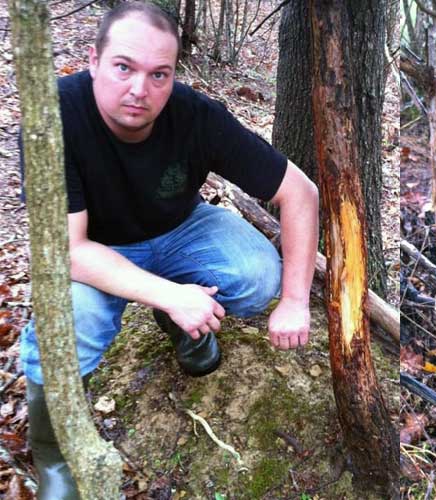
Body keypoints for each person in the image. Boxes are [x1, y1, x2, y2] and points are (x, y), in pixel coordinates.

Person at [19, 2, 319, 498]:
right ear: (93, 60)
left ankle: (180, 315)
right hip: (96, 251)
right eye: (124, 67)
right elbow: (66, 253)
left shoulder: (194, 115)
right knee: (71, 321)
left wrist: (294, 301)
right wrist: (170, 294)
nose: (140, 89)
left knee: (257, 274)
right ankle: (56, 460)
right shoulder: (53, 117)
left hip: (181, 229)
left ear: (173, 74)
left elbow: (300, 191)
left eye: (159, 74)